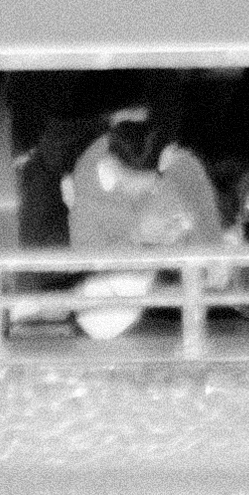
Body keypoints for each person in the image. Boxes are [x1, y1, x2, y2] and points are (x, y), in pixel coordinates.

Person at [64, 92, 224, 333]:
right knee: (102, 319)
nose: (145, 189)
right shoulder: (88, 186)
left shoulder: (177, 163)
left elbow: (204, 214)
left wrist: (212, 253)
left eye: (152, 180)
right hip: (132, 285)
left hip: (185, 287)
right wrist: (137, 238)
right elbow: (85, 254)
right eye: (133, 181)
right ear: (112, 164)